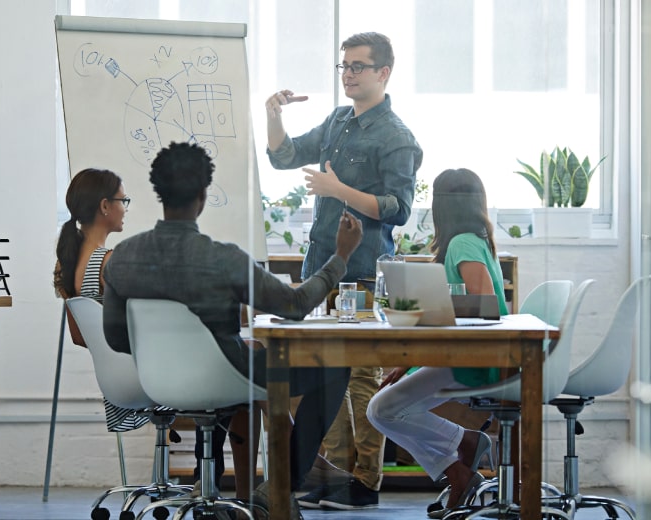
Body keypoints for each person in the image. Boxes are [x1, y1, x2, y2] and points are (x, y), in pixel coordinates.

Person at [102, 141, 363, 513]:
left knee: (242, 368)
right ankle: (282, 484)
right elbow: (295, 305)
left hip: (158, 383)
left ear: (159, 193)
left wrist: (169, 358)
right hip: (229, 376)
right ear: (203, 195)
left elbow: (116, 338)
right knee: (335, 364)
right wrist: (341, 256)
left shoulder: (122, 258)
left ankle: (214, 486)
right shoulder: (224, 259)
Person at [265, 31, 422, 510]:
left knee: (359, 379)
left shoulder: (397, 137)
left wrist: (338, 190)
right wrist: (273, 115)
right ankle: (332, 476)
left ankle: (366, 483)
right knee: (324, 378)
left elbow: (398, 209)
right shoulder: (337, 121)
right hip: (322, 270)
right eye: (344, 66)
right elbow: (285, 156)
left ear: (383, 73)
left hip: (363, 273)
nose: (348, 75)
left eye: (358, 66)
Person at [365, 168, 508, 516]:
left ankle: (462, 456)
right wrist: (409, 361)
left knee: (382, 410)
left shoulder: (462, 244)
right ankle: (462, 458)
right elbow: (456, 310)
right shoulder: (474, 241)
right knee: (384, 408)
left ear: (441, 206)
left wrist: (417, 348)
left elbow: (483, 305)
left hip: (472, 361)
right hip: (465, 355)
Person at [53, 168, 146, 432]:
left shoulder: (65, 264)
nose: (125, 209)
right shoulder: (109, 262)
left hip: (113, 383)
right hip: (144, 378)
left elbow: (80, 337)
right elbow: (145, 327)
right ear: (105, 206)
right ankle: (210, 454)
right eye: (123, 201)